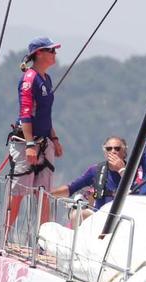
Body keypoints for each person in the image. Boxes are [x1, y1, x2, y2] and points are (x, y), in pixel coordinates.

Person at [7, 37, 64, 227]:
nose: (55, 54)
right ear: (39, 53)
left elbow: (44, 115)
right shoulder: (29, 78)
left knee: (43, 194)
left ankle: (43, 240)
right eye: (51, 51)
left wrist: (54, 139)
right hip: (26, 143)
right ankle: (4, 235)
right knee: (19, 192)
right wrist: (30, 144)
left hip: (44, 141)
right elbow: (26, 113)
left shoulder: (47, 79)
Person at [51, 136, 128, 216]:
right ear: (105, 153)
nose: (113, 151)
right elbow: (71, 188)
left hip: (124, 217)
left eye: (117, 149)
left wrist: (121, 170)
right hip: (100, 218)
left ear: (124, 152)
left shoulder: (134, 171)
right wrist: (49, 193)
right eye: (109, 149)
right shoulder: (95, 170)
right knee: (78, 215)